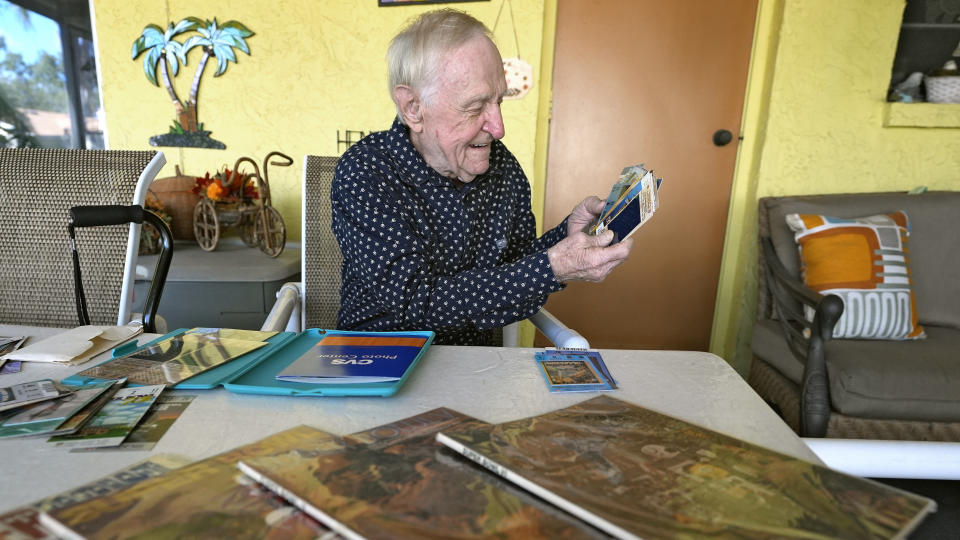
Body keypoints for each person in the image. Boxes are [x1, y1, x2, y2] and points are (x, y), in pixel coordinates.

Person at [331, 9, 633, 345]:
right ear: (413, 108)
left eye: (499, 101)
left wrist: (566, 239)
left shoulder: (503, 169)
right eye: (475, 107)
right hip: (377, 365)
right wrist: (553, 267)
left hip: (478, 370)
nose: (498, 128)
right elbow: (416, 302)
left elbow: (516, 272)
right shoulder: (365, 172)